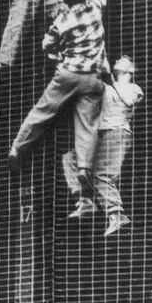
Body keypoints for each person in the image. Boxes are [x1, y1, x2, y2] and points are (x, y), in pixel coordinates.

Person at [7, 0, 107, 174]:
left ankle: (17, 148)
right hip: (92, 78)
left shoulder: (63, 20)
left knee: (42, 111)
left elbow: (46, 44)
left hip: (68, 74)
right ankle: (83, 167)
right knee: (87, 124)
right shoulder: (96, 8)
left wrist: (57, 55)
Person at [62, 55, 143, 237]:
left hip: (117, 133)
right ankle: (85, 200)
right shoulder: (107, 86)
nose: (119, 60)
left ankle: (116, 215)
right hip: (101, 134)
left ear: (131, 70)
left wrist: (110, 80)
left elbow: (128, 101)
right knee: (72, 159)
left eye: (124, 59)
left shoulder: (134, 88)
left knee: (103, 175)